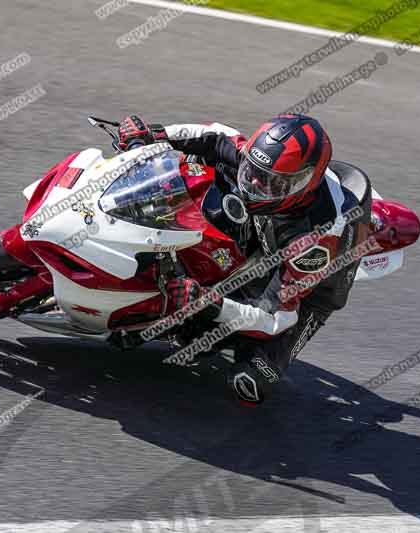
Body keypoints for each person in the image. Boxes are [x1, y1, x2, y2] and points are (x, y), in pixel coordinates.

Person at [116, 114, 372, 406]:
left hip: (313, 281)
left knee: (252, 379)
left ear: (303, 185)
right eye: (252, 169)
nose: (254, 183)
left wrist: (208, 303)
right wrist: (154, 134)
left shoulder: (315, 239)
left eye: (270, 183)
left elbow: (277, 316)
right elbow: (213, 135)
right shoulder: (262, 165)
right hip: (269, 227)